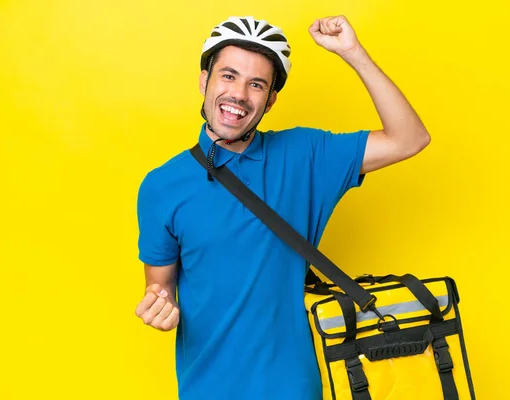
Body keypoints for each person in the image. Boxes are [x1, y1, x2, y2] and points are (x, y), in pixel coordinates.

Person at [134, 15, 430, 400]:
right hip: (205, 388)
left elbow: (410, 139)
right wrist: (159, 307)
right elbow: (159, 285)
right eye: (228, 76)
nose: (239, 94)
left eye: (256, 84)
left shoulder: (306, 155)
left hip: (293, 388)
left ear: (270, 100)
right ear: (204, 80)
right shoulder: (161, 185)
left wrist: (354, 54)